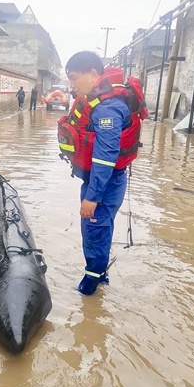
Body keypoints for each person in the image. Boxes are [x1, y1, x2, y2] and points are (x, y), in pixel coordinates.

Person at [65, 51, 131, 296]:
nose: (71, 85)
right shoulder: (97, 101)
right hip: (102, 182)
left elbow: (105, 157)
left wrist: (92, 196)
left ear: (93, 73)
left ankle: (89, 288)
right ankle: (101, 276)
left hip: (104, 184)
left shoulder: (108, 108)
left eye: (74, 78)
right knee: (100, 230)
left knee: (95, 231)